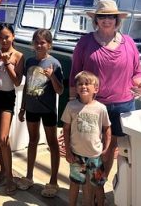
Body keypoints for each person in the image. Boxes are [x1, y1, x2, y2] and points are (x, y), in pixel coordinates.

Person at [70, 0, 141, 191]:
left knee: (110, 149)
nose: (106, 20)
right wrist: (72, 103)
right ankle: (92, 188)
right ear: (96, 20)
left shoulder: (128, 43)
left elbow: (137, 72)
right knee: (91, 147)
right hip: (93, 106)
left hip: (123, 105)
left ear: (117, 20)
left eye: (110, 16)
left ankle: (99, 187)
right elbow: (75, 73)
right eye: (102, 16)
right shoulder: (85, 42)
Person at [17, 28, 63, 198]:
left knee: (52, 143)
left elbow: (60, 90)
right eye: (36, 42)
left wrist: (52, 76)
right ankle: (29, 177)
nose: (39, 45)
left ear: (49, 45)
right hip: (31, 109)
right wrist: (22, 107)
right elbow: (28, 86)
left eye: (42, 42)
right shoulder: (29, 62)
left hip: (48, 110)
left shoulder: (55, 63)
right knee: (33, 140)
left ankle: (53, 180)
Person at [62, 71, 111, 206]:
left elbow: (107, 129)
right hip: (76, 156)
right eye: (80, 84)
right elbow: (65, 129)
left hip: (95, 156)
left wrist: (106, 149)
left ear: (96, 89)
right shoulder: (71, 106)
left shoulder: (101, 108)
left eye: (87, 84)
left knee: (99, 185)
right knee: (74, 184)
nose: (83, 86)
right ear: (76, 88)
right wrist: (68, 151)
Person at [0, 23, 24, 195]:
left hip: (8, 97)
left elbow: (17, 82)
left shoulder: (19, 56)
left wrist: (7, 63)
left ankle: (10, 176)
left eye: (7, 36)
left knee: (3, 137)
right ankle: (2, 170)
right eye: (0, 37)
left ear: (13, 36)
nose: (3, 40)